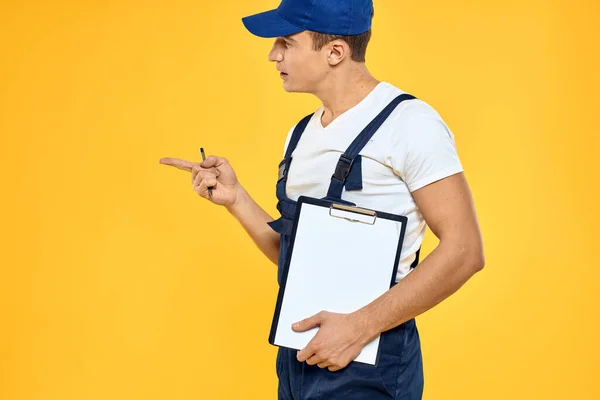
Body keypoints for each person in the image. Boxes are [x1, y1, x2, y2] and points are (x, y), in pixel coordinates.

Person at [159, 0, 485, 398]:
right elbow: (296, 258)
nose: (272, 54)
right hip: (299, 359)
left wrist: (359, 327)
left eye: (286, 42)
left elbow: (465, 250)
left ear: (335, 52)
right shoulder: (300, 135)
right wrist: (236, 199)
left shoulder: (411, 125)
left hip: (368, 362)